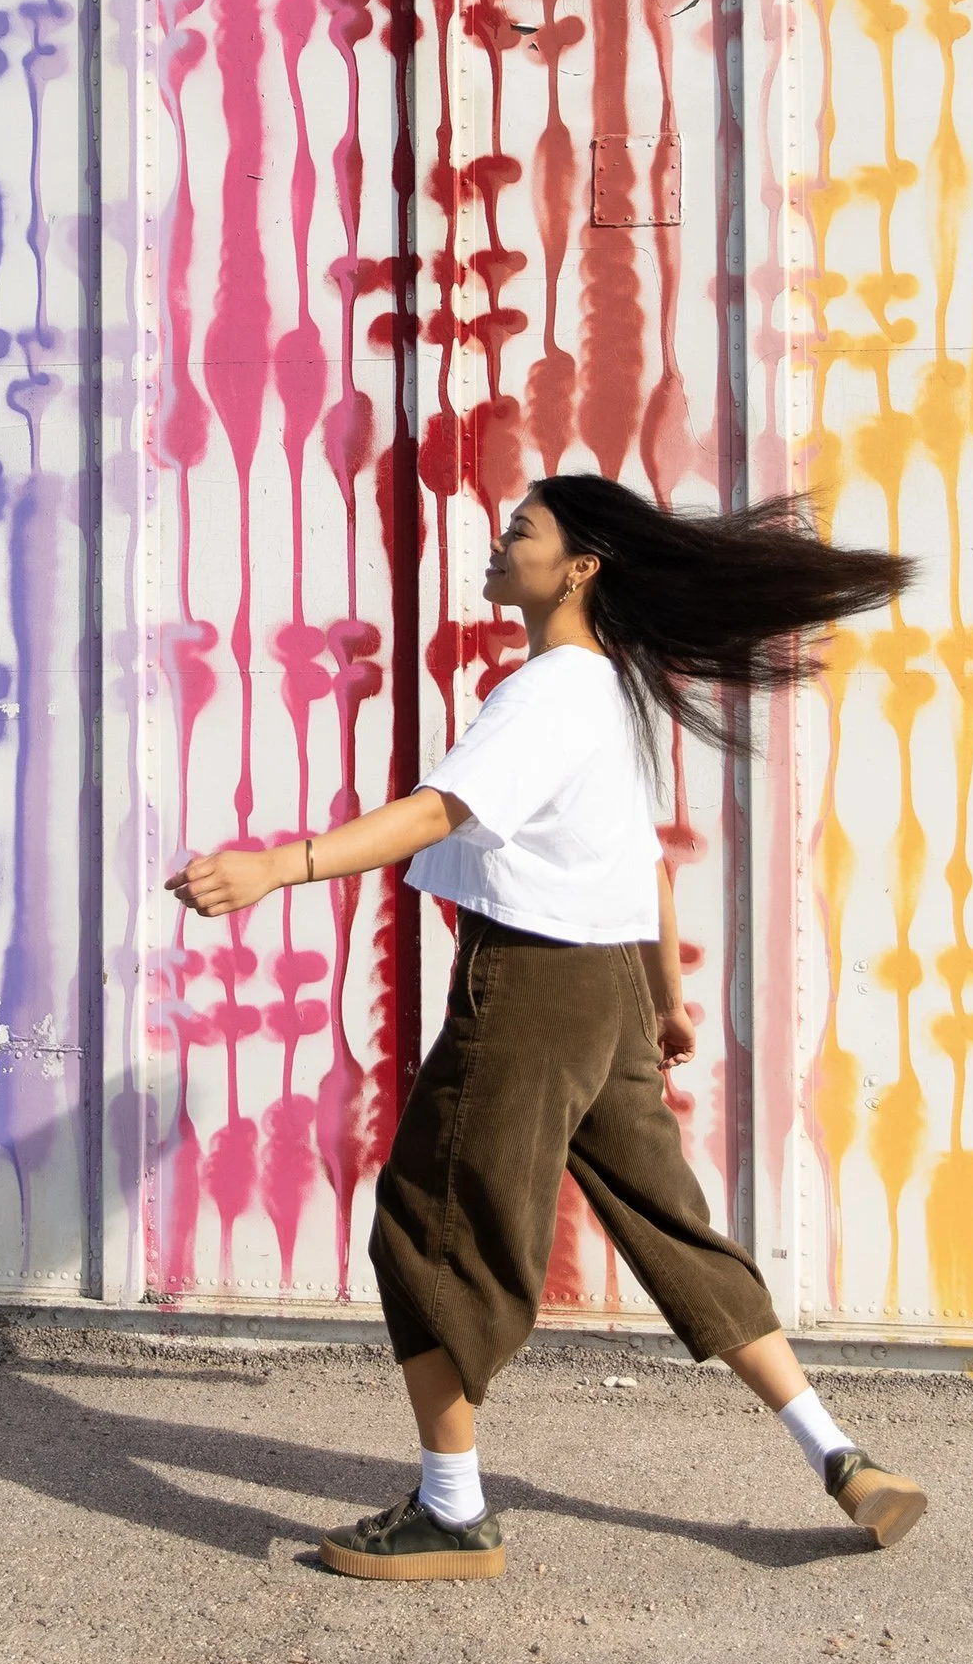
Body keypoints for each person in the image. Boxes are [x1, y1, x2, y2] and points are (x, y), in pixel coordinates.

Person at [166, 473, 927, 1582]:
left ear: (577, 567)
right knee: (669, 1225)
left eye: (520, 529)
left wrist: (274, 866)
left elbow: (440, 811)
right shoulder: (608, 689)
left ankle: (452, 1508)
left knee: (424, 1230)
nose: (497, 539)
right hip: (607, 983)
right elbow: (644, 861)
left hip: (530, 983)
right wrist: (660, 997)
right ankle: (842, 1457)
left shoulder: (549, 693)